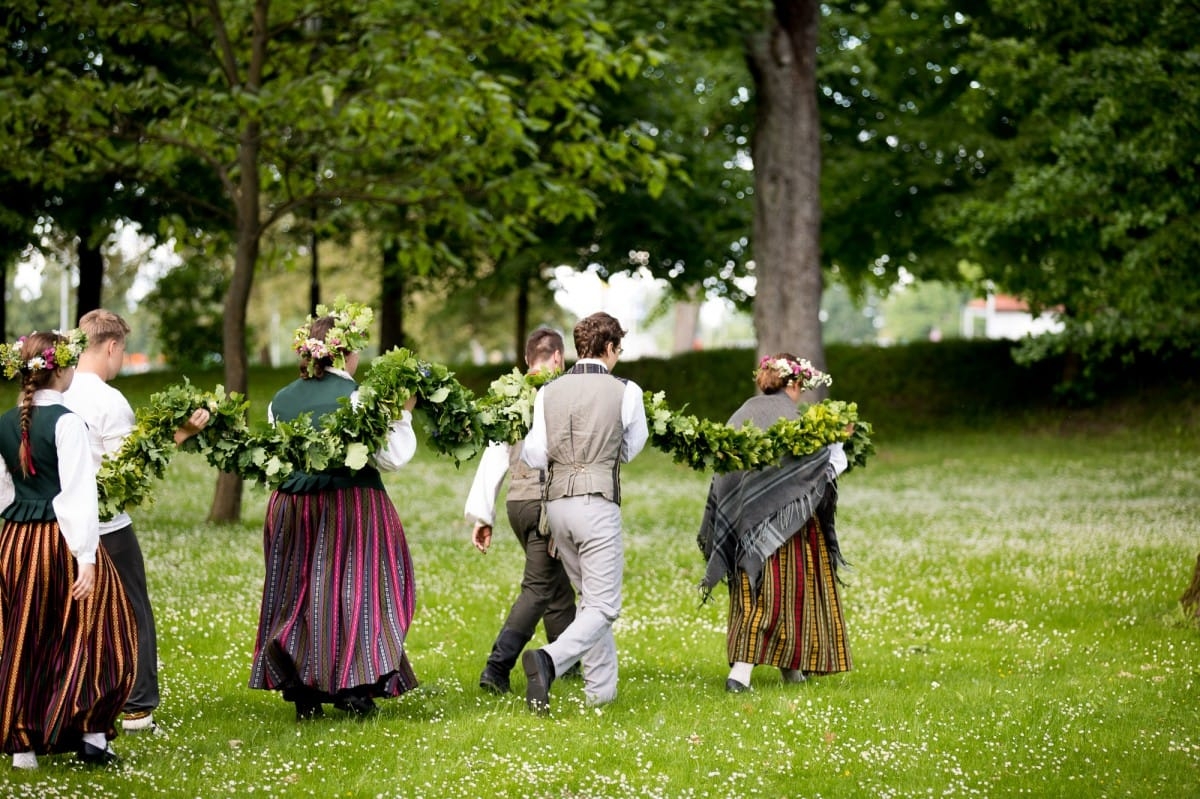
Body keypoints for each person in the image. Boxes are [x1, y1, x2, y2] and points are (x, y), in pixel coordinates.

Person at [249, 300, 420, 720]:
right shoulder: (358, 396)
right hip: (350, 502)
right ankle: (354, 687)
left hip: (290, 506)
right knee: (360, 590)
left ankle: (303, 688)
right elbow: (390, 458)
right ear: (346, 352)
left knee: (299, 594)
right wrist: (403, 417)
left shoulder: (279, 400)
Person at [62, 309, 210, 734]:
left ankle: (71, 701)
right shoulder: (110, 401)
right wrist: (178, 436)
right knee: (133, 612)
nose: (121, 359)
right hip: (107, 524)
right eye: (122, 351)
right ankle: (137, 710)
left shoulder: (57, 393)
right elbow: (128, 471)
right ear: (112, 347)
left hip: (56, 523)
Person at [0, 330, 136, 769]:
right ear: (59, 369)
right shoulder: (68, 422)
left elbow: (3, 494)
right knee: (103, 630)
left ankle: (23, 746)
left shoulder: (4, 422)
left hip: (16, 541)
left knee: (24, 636)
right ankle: (91, 732)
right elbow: (77, 494)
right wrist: (87, 557)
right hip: (58, 541)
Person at [697, 353, 852, 693]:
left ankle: (791, 668)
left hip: (745, 525)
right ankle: (740, 675)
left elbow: (726, 472)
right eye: (802, 385)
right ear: (795, 382)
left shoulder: (741, 413)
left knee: (759, 593)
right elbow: (817, 470)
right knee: (780, 593)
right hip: (787, 528)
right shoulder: (794, 418)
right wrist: (838, 442)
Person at [520, 312, 648, 713]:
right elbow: (631, 447)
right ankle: (550, 660)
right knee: (605, 606)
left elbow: (535, 453)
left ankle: (600, 693)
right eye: (619, 349)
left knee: (589, 601)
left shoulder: (548, 392)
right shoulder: (626, 391)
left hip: (557, 507)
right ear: (609, 348)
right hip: (596, 502)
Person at [464, 328, 576, 695]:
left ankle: (567, 661)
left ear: (528, 359)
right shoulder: (560, 394)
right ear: (558, 357)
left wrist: (484, 516)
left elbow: (494, 454)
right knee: (539, 588)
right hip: (545, 505)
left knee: (556, 588)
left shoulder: (511, 396)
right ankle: (497, 667)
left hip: (517, 504)